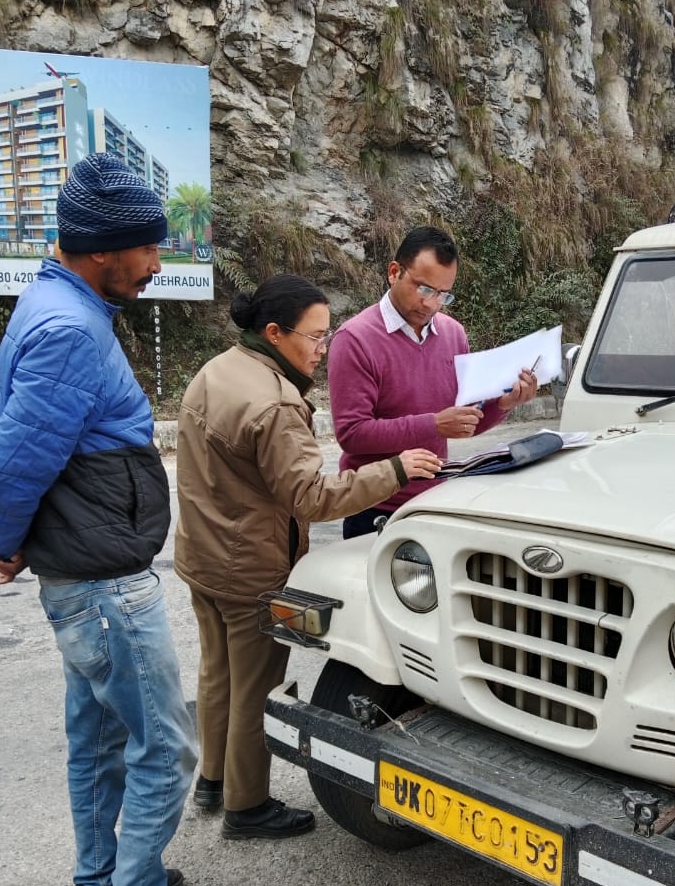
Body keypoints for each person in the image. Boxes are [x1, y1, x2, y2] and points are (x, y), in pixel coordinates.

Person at [0, 153, 230, 886]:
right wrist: (3, 539)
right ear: (103, 249)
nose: (158, 264)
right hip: (107, 587)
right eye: (149, 249)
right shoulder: (69, 331)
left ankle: (99, 884)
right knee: (166, 746)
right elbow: (8, 465)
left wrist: (17, 539)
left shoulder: (59, 304)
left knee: (98, 736)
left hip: (85, 576)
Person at [173, 274, 442, 836]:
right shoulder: (273, 402)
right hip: (249, 564)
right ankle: (247, 807)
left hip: (203, 553)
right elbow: (312, 497)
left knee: (217, 673)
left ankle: (213, 780)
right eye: (316, 338)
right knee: (257, 686)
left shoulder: (217, 370)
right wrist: (396, 469)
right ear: (275, 333)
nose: (323, 349)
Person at [328, 225, 541, 538]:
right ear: (394, 272)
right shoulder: (355, 339)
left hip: (433, 501)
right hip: (374, 508)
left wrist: (505, 404)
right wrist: (434, 425)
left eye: (443, 294)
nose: (431, 303)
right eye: (424, 288)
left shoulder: (453, 334)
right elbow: (352, 434)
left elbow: (465, 421)